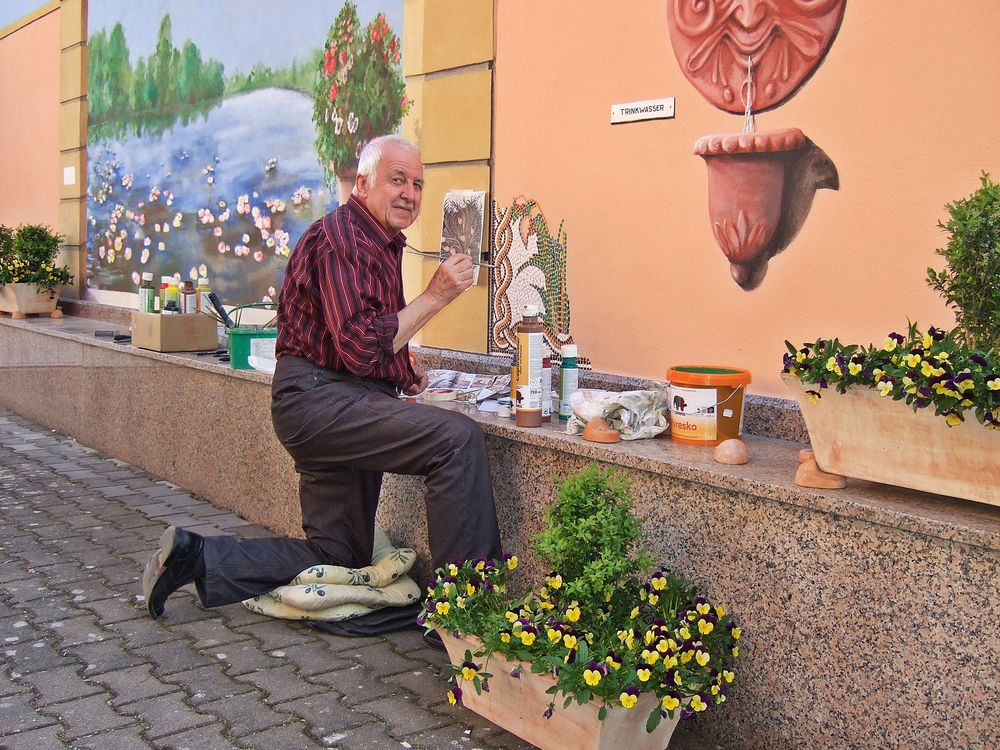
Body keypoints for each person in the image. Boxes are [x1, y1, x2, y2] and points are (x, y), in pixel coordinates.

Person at [142, 135, 503, 626]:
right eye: (397, 180)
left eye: (418, 184)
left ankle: (200, 557)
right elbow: (358, 346)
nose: (409, 194)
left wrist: (406, 373)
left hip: (329, 400)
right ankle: (467, 614)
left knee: (338, 555)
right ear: (362, 183)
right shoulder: (344, 238)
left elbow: (363, 339)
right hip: (320, 402)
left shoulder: (375, 241)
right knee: (455, 439)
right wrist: (436, 295)